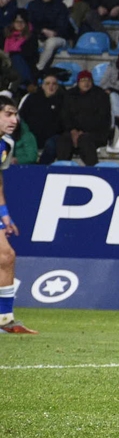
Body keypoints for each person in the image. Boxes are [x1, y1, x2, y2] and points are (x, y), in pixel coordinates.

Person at [0, 98, 37, 333]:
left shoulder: (6, 144)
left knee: (6, 256)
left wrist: (5, 214)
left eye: (16, 115)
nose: (15, 120)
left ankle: (4, 319)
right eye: (9, 114)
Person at [55, 69, 110, 166]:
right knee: (64, 139)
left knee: (85, 140)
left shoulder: (101, 95)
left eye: (88, 80)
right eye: (83, 80)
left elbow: (102, 118)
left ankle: (93, 169)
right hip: (72, 132)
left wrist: (83, 131)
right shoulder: (70, 95)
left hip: (95, 132)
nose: (86, 83)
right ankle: (62, 168)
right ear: (78, 82)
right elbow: (65, 115)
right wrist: (72, 130)